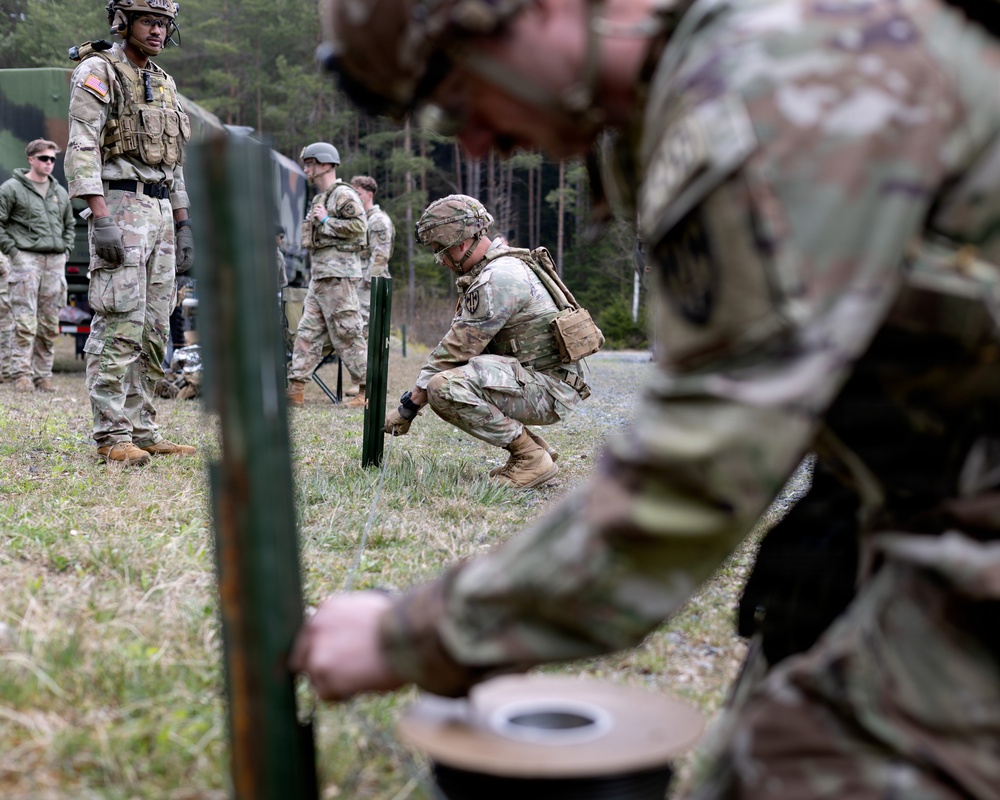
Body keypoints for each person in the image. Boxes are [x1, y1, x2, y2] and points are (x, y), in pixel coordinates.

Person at [293, 1, 1000, 796]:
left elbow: (700, 465)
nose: (476, 141)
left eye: (457, 95)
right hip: (913, 479)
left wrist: (418, 633)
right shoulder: (701, 84)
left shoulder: (771, 82)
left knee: (802, 771)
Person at [66, 0, 195, 467]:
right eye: (149, 22)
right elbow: (81, 145)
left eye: (164, 24)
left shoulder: (163, 81)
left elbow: (174, 161)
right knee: (119, 321)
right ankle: (111, 434)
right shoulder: (99, 70)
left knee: (156, 325)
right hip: (120, 204)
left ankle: (143, 429)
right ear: (124, 23)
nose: (158, 31)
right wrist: (100, 217)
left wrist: (183, 225)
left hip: (160, 209)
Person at [384, 194, 588, 489]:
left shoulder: (497, 279)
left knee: (444, 387)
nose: (440, 260)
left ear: (461, 243)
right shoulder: (503, 266)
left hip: (549, 390)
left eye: (440, 249)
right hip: (545, 381)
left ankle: (530, 457)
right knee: (453, 379)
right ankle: (534, 451)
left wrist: (408, 408)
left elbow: (456, 350)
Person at [285, 142, 369, 409]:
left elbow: (359, 226)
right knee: (306, 332)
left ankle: (367, 390)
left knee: (347, 331)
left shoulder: (343, 195)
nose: (306, 168)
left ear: (325, 165)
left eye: (310, 163)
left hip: (339, 275)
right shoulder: (320, 198)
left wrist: (325, 222)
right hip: (321, 276)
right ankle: (295, 389)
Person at [0, 140, 75, 394]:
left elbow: (70, 225)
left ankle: (43, 376)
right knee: (23, 321)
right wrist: (13, 252)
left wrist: (65, 250)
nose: (49, 163)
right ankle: (21, 374)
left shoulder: (59, 192)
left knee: (49, 322)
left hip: (54, 262)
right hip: (25, 260)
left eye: (53, 159)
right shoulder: (11, 189)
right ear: (31, 159)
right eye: (44, 158)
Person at [349, 175, 394, 339]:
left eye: (358, 194)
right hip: (359, 280)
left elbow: (381, 255)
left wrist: (367, 283)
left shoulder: (377, 220)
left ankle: (367, 364)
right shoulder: (361, 219)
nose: (355, 198)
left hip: (369, 284)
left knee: (364, 329)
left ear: (370, 195)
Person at [0, 252, 11, 383]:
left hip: (5, 300)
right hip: (4, 300)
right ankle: (6, 371)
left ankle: (6, 371)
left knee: (6, 336)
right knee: (6, 335)